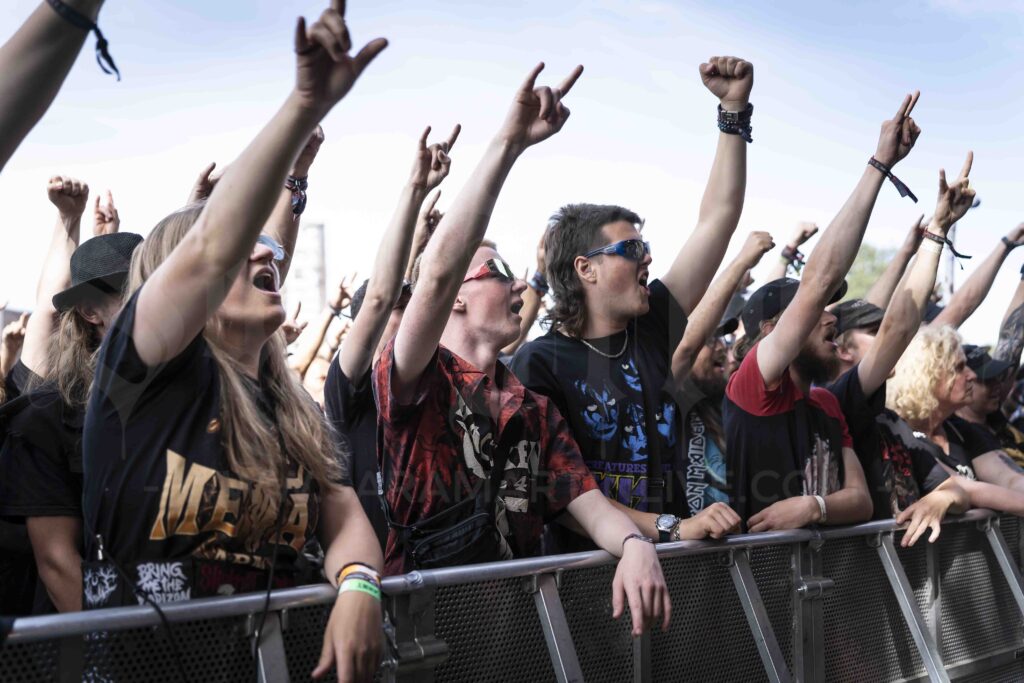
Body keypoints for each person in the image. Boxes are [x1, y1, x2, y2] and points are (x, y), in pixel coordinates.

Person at [81, 4, 387, 679]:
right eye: (248, 248)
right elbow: (211, 248)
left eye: (268, 248)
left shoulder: (284, 409)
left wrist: (361, 582)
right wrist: (304, 103)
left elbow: (343, 517)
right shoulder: (143, 378)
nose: (265, 254)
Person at [377, 61, 671, 636]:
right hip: (427, 642)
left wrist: (636, 543)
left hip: (521, 641)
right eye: (499, 272)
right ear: (455, 299)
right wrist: (508, 145)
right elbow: (433, 275)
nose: (519, 285)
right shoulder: (417, 379)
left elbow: (588, 504)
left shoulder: (532, 410)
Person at [511, 56, 755, 547]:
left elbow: (718, 219)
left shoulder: (651, 329)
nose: (648, 259)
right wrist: (671, 527)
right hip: (583, 586)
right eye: (631, 250)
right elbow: (563, 495)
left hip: (669, 576)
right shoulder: (538, 364)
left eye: (645, 247)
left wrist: (733, 109)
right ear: (586, 268)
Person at [724, 91, 925, 532]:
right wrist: (879, 166)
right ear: (776, 329)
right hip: (754, 590)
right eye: (817, 313)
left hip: (825, 593)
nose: (832, 318)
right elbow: (816, 282)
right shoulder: (754, 387)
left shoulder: (826, 404)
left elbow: (859, 501)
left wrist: (813, 507)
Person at [0, 175, 141, 615]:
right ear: (89, 311)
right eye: (132, 292)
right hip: (85, 636)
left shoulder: (173, 394)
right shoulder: (52, 407)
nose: (150, 301)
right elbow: (47, 306)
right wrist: (69, 221)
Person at [825, 155, 977, 545]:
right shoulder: (837, 403)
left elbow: (959, 488)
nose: (890, 339)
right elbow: (899, 326)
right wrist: (937, 232)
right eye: (872, 331)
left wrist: (943, 497)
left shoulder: (891, 422)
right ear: (842, 350)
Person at [325, 125, 458, 548]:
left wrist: (423, 243)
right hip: (370, 580)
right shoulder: (351, 392)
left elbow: (428, 290)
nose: (412, 323)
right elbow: (381, 295)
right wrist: (414, 193)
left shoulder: (439, 379)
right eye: (399, 313)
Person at [671, 231, 774, 519]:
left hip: (731, 555)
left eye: (722, 339)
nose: (720, 348)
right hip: (679, 557)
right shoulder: (667, 401)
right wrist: (740, 263)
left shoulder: (729, 405)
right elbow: (688, 345)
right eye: (710, 338)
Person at [887, 326, 1024, 516]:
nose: (972, 375)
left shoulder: (960, 429)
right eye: (959, 368)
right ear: (928, 376)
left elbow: (1008, 478)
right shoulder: (898, 432)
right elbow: (965, 488)